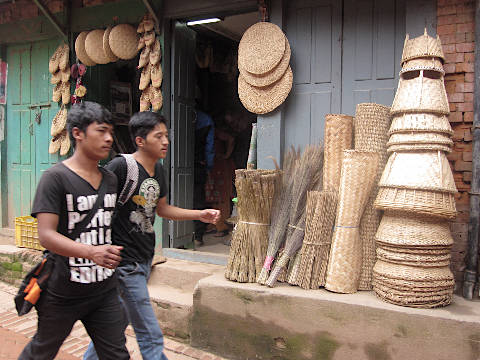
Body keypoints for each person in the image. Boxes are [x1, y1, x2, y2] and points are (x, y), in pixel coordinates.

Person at [84, 111, 220, 360]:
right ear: (140, 140)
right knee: (150, 335)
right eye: (159, 136)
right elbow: (98, 205)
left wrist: (198, 214)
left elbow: (162, 209)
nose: (166, 141)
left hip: (144, 260)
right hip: (125, 263)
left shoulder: (158, 170)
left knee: (113, 327)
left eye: (166, 136)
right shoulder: (121, 166)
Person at [19, 101, 129, 360]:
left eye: (110, 132)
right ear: (78, 133)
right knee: (42, 351)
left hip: (104, 290)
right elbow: (46, 235)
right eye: (101, 131)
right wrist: (91, 252)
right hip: (63, 291)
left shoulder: (111, 180)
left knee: (117, 355)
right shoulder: (54, 178)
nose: (109, 138)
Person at [193, 108, 215, 245]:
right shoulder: (205, 120)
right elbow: (209, 147)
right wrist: (208, 166)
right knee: (198, 199)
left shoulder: (176, 115)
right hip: (198, 165)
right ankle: (198, 236)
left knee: (177, 197)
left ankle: (179, 236)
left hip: (177, 164)